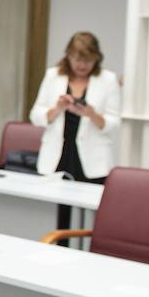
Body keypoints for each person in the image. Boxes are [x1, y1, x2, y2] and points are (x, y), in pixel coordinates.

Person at [31, 32, 121, 237]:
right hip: (58, 155)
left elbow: (114, 123)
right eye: (78, 59)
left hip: (92, 159)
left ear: (97, 59)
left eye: (89, 60)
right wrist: (57, 109)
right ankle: (55, 249)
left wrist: (91, 114)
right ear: (68, 56)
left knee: (90, 217)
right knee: (57, 214)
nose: (83, 65)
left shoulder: (108, 80)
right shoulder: (54, 76)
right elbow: (35, 115)